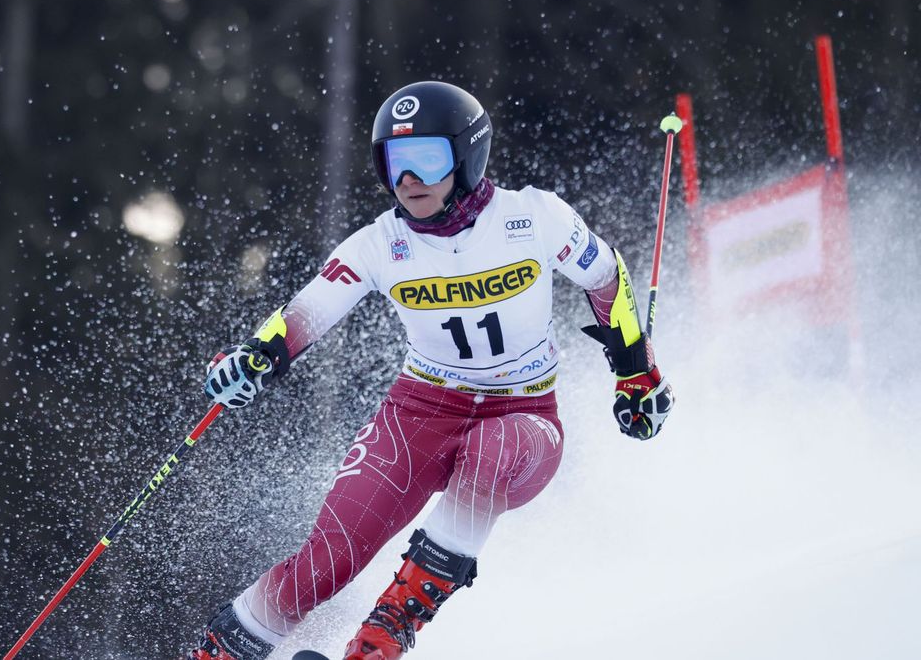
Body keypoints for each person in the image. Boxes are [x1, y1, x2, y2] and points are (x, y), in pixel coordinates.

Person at [185, 81, 674, 660]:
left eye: (426, 160)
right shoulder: (378, 244)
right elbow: (306, 312)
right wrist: (256, 359)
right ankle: (217, 653)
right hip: (418, 411)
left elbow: (606, 276)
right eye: (394, 164)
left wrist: (636, 372)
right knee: (331, 556)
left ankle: (380, 640)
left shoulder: (532, 217)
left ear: (466, 159)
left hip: (524, 415)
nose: (408, 180)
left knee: (493, 449)